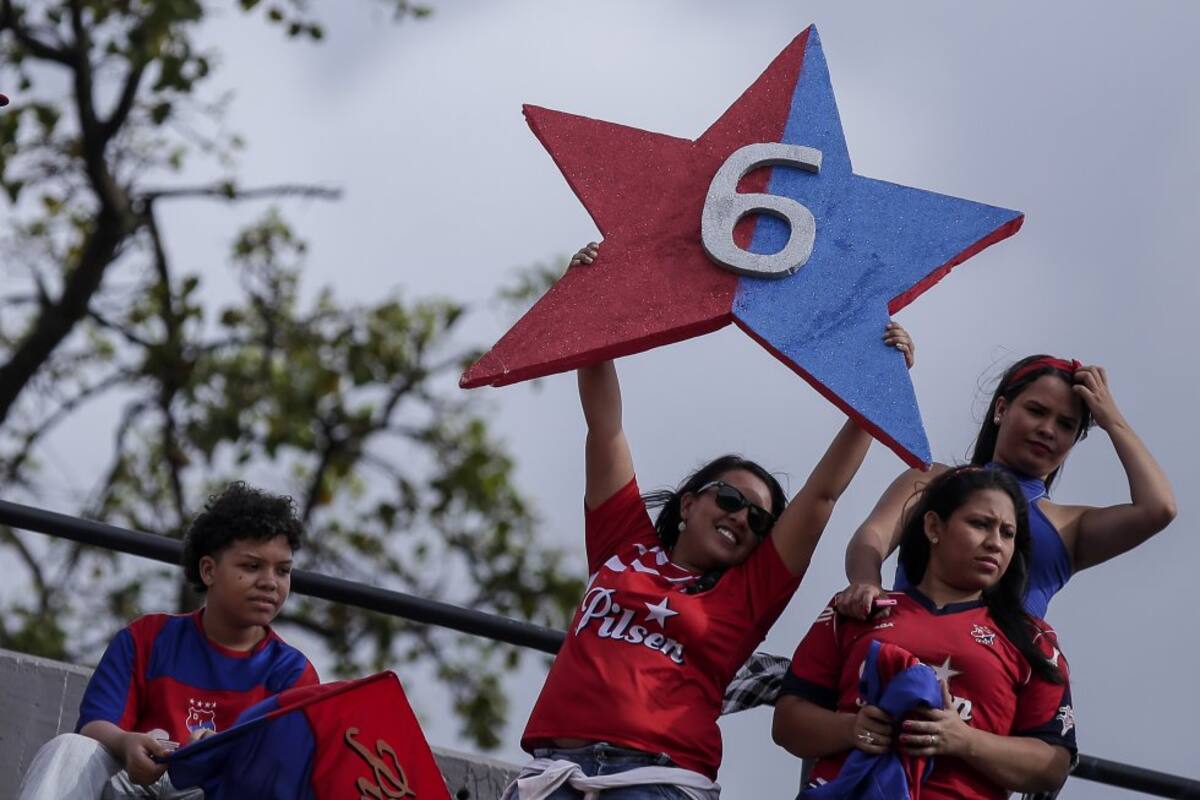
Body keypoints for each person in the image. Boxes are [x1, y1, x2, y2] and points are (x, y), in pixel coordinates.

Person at [503, 245, 915, 799]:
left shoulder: (747, 594)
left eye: (758, 520)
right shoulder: (621, 543)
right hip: (554, 774)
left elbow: (822, 496)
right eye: (728, 498)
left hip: (658, 781)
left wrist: (876, 387)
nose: (741, 517)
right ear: (689, 504)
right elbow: (605, 425)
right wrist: (588, 294)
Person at [773, 466, 1077, 799]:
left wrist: (965, 740)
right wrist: (851, 728)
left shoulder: (1034, 640)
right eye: (980, 524)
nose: (995, 543)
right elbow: (787, 722)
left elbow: (1053, 765)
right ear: (933, 526)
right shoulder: (857, 609)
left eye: (1007, 533)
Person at [17, 482, 319, 800]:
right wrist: (126, 743)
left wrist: (220, 755)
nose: (270, 582)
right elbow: (94, 726)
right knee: (70, 747)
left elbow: (284, 775)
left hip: (211, 792)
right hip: (133, 781)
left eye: (283, 571)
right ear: (209, 570)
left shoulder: (293, 673)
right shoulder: (146, 638)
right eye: (252, 566)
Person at [835, 355, 1176, 620]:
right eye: (1036, 411)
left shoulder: (1069, 526)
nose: (1047, 430)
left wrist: (1112, 420)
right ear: (1002, 408)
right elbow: (873, 536)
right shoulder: (931, 480)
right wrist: (867, 583)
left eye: (1065, 425)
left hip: (997, 684)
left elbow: (1159, 508)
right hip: (905, 664)